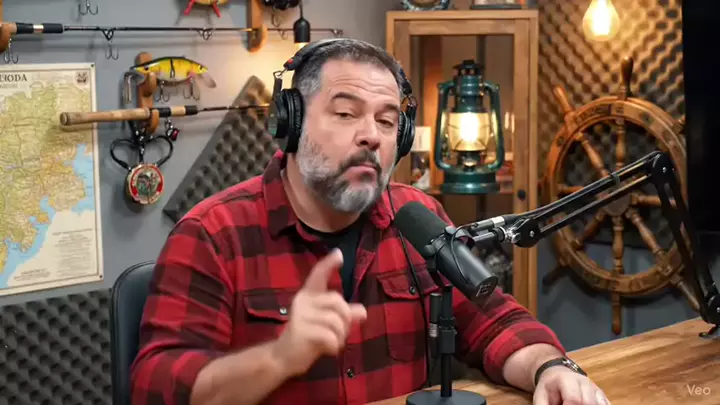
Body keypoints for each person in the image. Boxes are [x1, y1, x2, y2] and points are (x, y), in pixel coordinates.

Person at [129, 38, 611, 405]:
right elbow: (156, 387)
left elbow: (492, 321)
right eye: (345, 113)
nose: (371, 136)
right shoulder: (212, 235)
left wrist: (550, 368)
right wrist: (277, 359)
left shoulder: (416, 219)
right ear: (290, 124)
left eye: (386, 121)